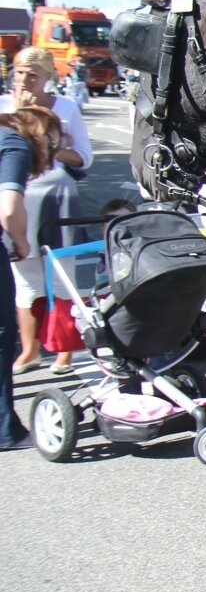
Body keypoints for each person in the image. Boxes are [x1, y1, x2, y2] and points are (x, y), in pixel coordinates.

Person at [10, 106, 84, 375]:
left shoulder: (61, 177)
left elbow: (79, 155)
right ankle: (30, 350)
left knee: (65, 284)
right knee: (27, 287)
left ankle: (66, 351)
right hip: (22, 215)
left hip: (56, 205)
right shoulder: (13, 163)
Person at [0, 110, 45, 450]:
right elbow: (9, 206)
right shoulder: (13, 141)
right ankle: (5, 431)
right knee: (3, 335)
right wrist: (21, 241)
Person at [0, 47, 93, 179]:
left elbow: (84, 157)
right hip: (9, 182)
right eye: (19, 72)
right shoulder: (2, 104)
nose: (24, 80)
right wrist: (21, 113)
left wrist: (51, 149)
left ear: (48, 76)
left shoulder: (67, 107)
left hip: (50, 187)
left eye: (32, 75)